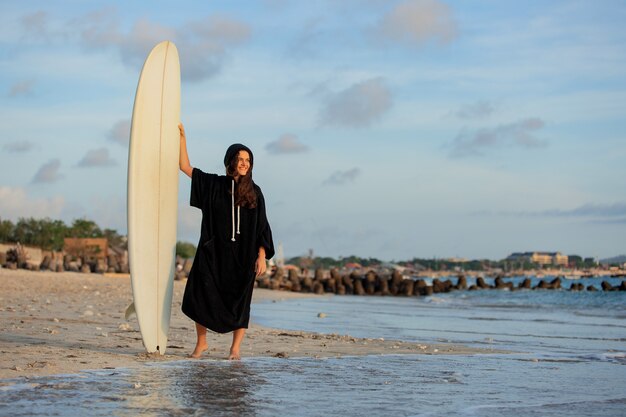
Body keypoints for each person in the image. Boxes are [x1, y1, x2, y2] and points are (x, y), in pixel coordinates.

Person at [178, 123, 274, 360]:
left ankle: (235, 348)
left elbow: (262, 226)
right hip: (213, 253)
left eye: (248, 160)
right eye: (240, 158)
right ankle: (202, 344)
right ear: (230, 160)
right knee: (200, 295)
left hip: (243, 257)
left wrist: (261, 256)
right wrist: (182, 138)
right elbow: (184, 167)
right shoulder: (214, 185)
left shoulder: (255, 192)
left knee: (240, 303)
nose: (244, 163)